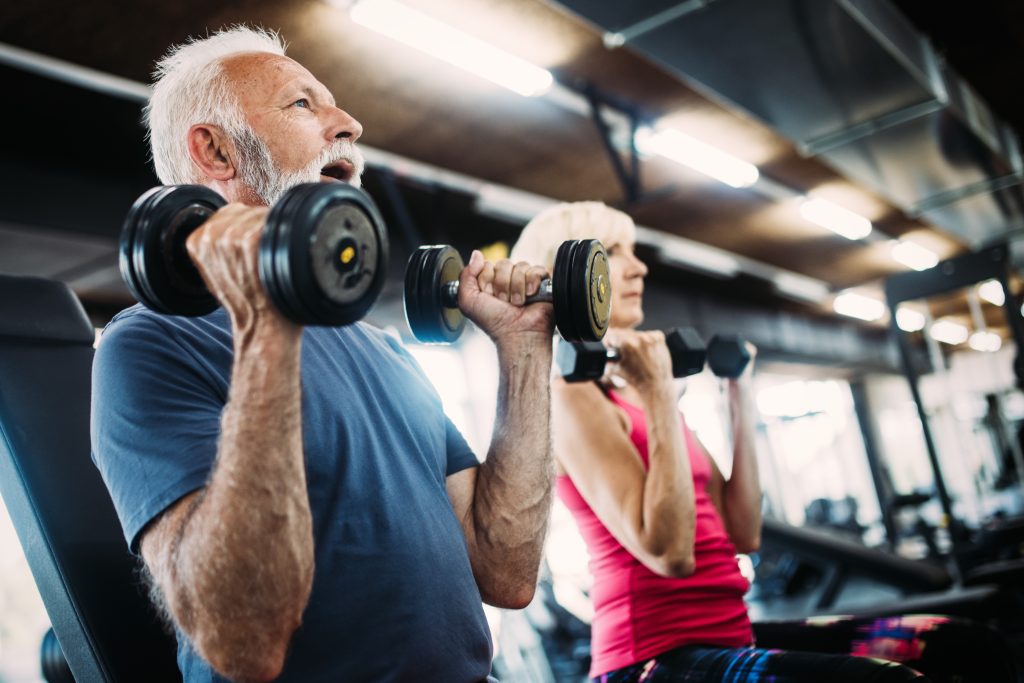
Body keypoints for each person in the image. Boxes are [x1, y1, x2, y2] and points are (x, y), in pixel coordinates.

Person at [91, 27, 558, 683]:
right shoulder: (150, 342)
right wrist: (267, 323)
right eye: (302, 105)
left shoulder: (384, 349)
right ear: (216, 150)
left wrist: (524, 349)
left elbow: (505, 571)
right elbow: (245, 640)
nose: (350, 123)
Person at [511, 202, 1018, 683]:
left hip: (728, 632)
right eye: (615, 252)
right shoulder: (573, 395)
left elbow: (743, 532)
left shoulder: (642, 389)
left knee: (962, 645)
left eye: (634, 250)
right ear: (572, 275)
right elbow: (669, 554)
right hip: (650, 659)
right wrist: (663, 394)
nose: (639, 268)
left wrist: (739, 394)